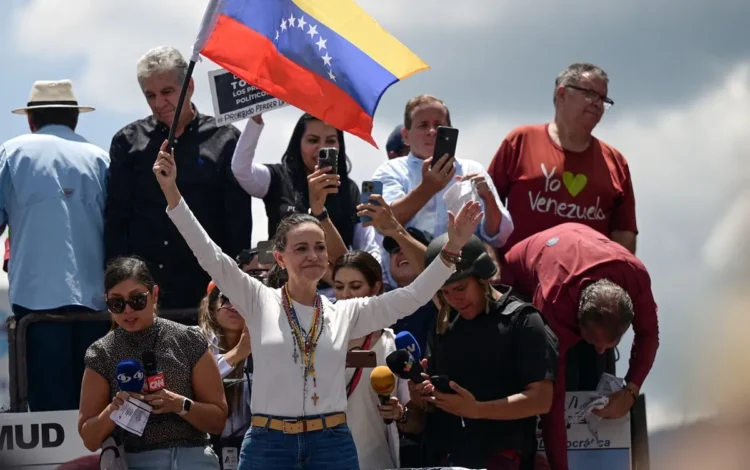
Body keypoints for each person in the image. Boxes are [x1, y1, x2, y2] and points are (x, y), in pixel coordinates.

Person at [153, 139, 482, 470]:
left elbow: (412, 296)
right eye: (301, 249)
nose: (313, 256)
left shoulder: (348, 312)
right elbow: (208, 252)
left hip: (332, 442)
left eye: (320, 248)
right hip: (270, 443)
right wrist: (171, 191)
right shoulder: (258, 299)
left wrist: (452, 249)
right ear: (279, 258)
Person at [501, 222, 660, 470]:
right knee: (552, 383)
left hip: (578, 254)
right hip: (518, 279)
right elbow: (551, 399)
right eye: (592, 341)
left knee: (596, 365)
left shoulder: (636, 275)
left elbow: (649, 336)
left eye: (611, 342)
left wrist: (630, 391)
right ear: (577, 321)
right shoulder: (554, 303)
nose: (600, 349)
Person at [105, 46, 252, 309]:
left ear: (190, 86)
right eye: (150, 95)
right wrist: (117, 289)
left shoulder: (226, 138)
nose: (159, 103)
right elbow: (116, 221)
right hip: (144, 295)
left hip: (207, 292)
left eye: (167, 92)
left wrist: (232, 285)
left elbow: (238, 221)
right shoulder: (127, 141)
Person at [1, 79, 110, 411]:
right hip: (97, 304)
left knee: (49, 412)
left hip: (36, 303)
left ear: (31, 120)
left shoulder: (12, 153)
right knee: (96, 407)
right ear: (74, 118)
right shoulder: (100, 159)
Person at [408, 234, 558, 470]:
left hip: (503, 458)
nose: (454, 299)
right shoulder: (443, 322)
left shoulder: (522, 320)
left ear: (482, 277)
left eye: (460, 288)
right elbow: (436, 400)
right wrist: (423, 395)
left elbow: (541, 399)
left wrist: (477, 410)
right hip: (446, 457)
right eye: (445, 292)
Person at [78, 257, 227, 469]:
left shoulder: (188, 339)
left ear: (154, 294)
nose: (128, 310)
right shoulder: (101, 353)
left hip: (193, 458)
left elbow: (218, 421)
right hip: (135, 461)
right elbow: (89, 439)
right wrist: (114, 409)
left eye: (137, 300)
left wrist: (180, 405)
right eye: (117, 304)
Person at [488, 62, 638, 254]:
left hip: (588, 281)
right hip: (519, 279)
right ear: (562, 94)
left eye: (603, 98)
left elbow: (624, 231)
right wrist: (491, 265)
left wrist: (617, 277)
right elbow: (485, 205)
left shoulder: (615, 162)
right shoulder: (521, 141)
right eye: (590, 94)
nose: (598, 104)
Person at [229, 114, 381, 281]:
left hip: (334, 293)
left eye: (330, 141)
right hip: (284, 290)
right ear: (298, 143)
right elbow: (241, 170)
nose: (321, 148)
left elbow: (364, 251)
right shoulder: (278, 178)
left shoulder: (349, 190)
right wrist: (255, 120)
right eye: (313, 140)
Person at [371, 94, 514, 246]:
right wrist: (427, 189)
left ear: (451, 130)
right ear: (406, 136)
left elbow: (499, 237)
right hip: (407, 267)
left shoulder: (473, 170)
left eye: (439, 125)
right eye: (423, 125)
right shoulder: (390, 171)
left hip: (460, 267)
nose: (432, 131)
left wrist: (489, 199)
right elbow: (383, 224)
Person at [332, 251, 412, 470]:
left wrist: (399, 413)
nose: (346, 295)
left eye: (355, 286)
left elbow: (415, 417)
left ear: (375, 288)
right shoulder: (316, 339)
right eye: (339, 287)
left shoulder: (393, 344)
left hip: (375, 460)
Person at [198, 283, 252, 464]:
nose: (234, 306)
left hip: (252, 446)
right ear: (213, 305)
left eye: (241, 301)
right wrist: (238, 353)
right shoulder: (196, 340)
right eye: (226, 299)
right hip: (207, 447)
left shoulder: (263, 344)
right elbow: (198, 381)